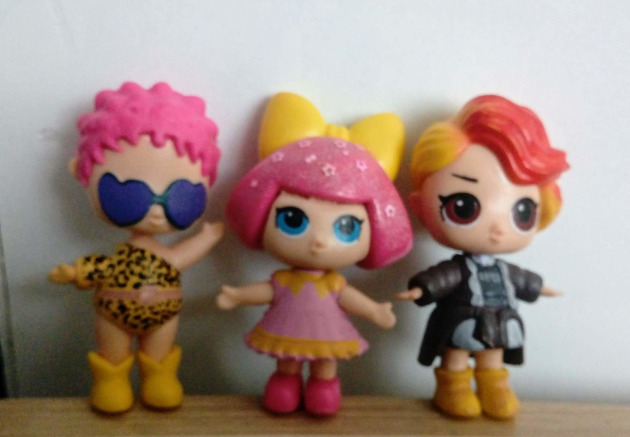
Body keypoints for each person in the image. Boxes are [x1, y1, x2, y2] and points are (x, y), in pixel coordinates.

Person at [216, 92, 412, 415]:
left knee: (325, 365)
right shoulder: (285, 280)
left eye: (346, 227)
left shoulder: (334, 283)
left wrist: (375, 310)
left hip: (328, 333)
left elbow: (348, 297)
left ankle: (323, 389)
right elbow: (267, 291)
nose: (319, 242)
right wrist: (237, 295)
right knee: (287, 362)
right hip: (288, 329)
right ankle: (285, 386)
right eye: (293, 219)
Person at [50, 82, 223, 413]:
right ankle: (111, 380)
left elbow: (179, 257)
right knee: (112, 351)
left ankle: (159, 376)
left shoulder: (166, 256)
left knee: (160, 350)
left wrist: (207, 237)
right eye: (129, 193)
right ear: (80, 173)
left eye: (181, 195)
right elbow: (102, 267)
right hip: (113, 314)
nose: (156, 211)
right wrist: (74, 272)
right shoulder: (121, 259)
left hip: (163, 316)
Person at [397, 95, 569, 419]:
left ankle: (495, 386)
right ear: (421, 206)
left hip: (500, 318)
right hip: (461, 318)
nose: (497, 228)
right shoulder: (460, 268)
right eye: (463, 207)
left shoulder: (506, 270)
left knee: (493, 353)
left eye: (521, 211)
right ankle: (453, 387)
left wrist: (541, 287)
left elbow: (522, 280)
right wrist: (422, 289)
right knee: (456, 351)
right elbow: (444, 276)